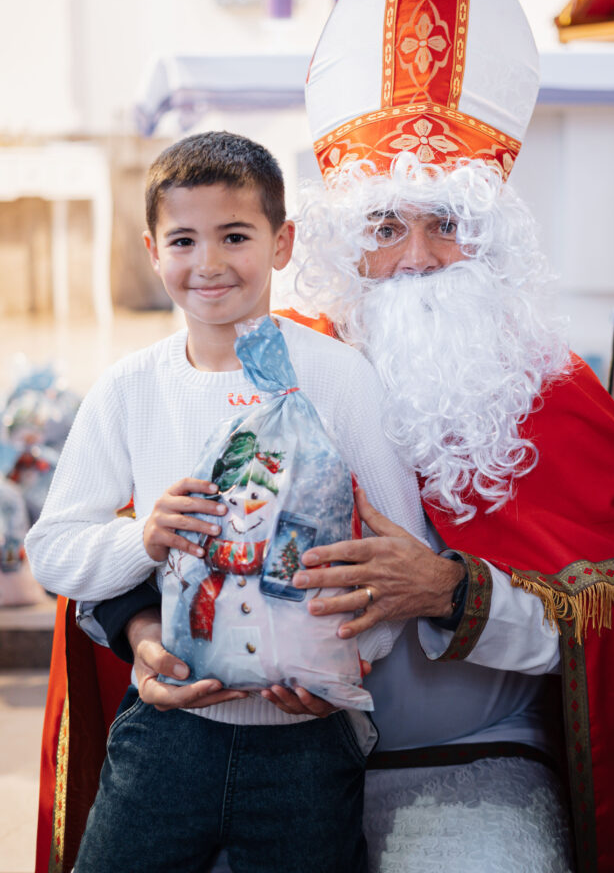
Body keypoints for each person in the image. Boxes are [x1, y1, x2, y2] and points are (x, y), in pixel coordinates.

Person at [42, 0, 614, 873]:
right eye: (384, 226)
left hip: (467, 757)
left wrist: (451, 590)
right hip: (258, 738)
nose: (416, 258)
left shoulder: (553, 391)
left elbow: (611, 640)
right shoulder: (266, 362)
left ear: (491, 237)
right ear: (334, 242)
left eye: (446, 223)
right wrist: (145, 637)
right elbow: (136, 542)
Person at [25, 130, 428, 873]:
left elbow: (405, 552)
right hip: (167, 730)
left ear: (282, 243)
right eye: (183, 240)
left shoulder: (340, 379)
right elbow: (52, 551)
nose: (208, 263)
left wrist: (348, 661)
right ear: (153, 252)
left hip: (307, 741)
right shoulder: (130, 389)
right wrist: (143, 539)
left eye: (235, 235)